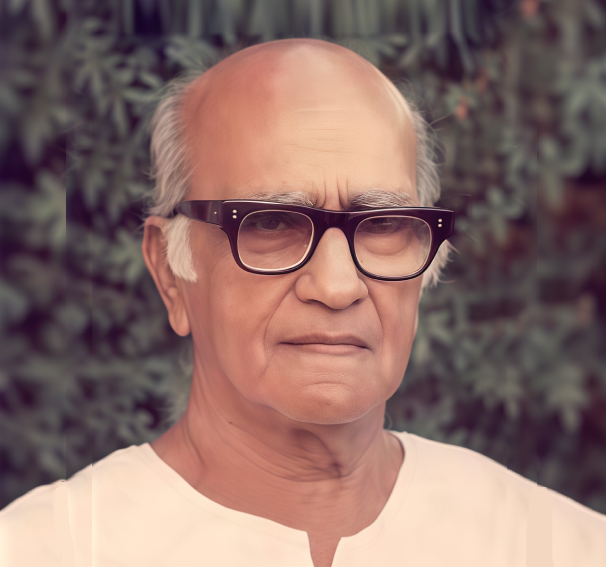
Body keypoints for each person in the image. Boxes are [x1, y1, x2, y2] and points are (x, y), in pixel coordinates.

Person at [0, 38, 604, 567]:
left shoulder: (561, 548)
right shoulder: (44, 551)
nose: (338, 286)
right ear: (171, 274)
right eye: (270, 223)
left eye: (381, 224)